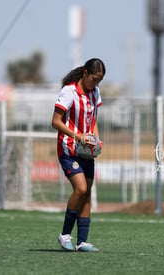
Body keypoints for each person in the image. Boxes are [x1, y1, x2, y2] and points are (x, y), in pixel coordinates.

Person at [52, 58, 106, 252]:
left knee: (87, 193)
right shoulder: (69, 91)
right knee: (81, 188)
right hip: (68, 148)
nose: (96, 83)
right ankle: (65, 234)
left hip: (86, 150)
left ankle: (82, 241)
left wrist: (96, 141)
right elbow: (56, 121)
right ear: (85, 73)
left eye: (99, 80)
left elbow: (93, 121)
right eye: (94, 79)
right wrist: (78, 136)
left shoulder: (95, 92)